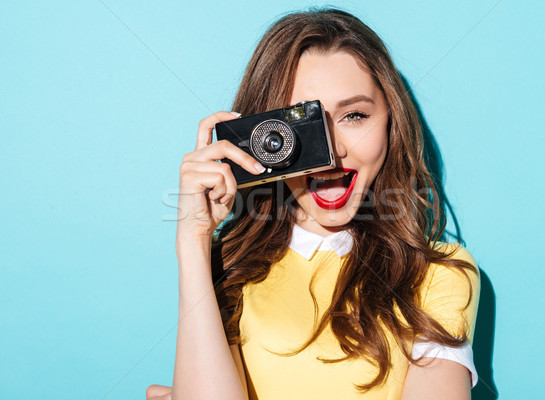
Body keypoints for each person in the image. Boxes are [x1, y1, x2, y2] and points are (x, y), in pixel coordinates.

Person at [147, 8, 480, 400]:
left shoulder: (437, 274)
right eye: (302, 126)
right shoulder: (226, 270)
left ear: (391, 123)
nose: (332, 153)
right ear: (262, 137)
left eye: (354, 115)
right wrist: (193, 243)